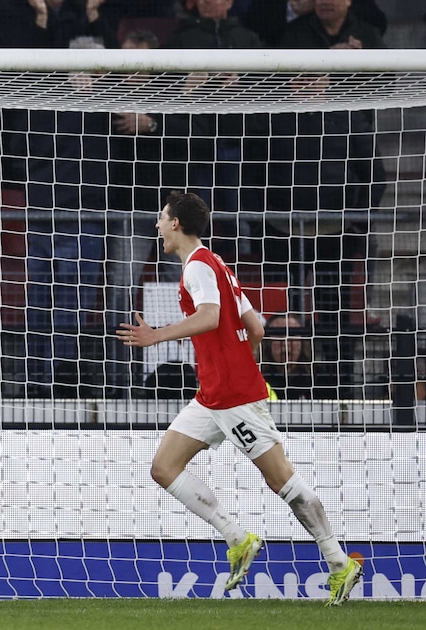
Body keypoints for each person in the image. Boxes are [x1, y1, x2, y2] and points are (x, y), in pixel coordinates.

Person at [117, 191, 362, 606]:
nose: (157, 226)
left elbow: (211, 317)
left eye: (161, 218)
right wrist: (231, 361)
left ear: (176, 223)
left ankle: (340, 563)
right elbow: (257, 329)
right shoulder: (219, 266)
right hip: (214, 392)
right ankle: (238, 537)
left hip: (232, 395)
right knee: (164, 467)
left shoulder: (196, 268)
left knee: (280, 478)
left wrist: (155, 335)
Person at [259, 314, 341, 400]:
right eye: (278, 335)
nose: (286, 343)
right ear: (267, 343)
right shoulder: (259, 378)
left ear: (302, 341)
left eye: (292, 335)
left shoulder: (320, 379)